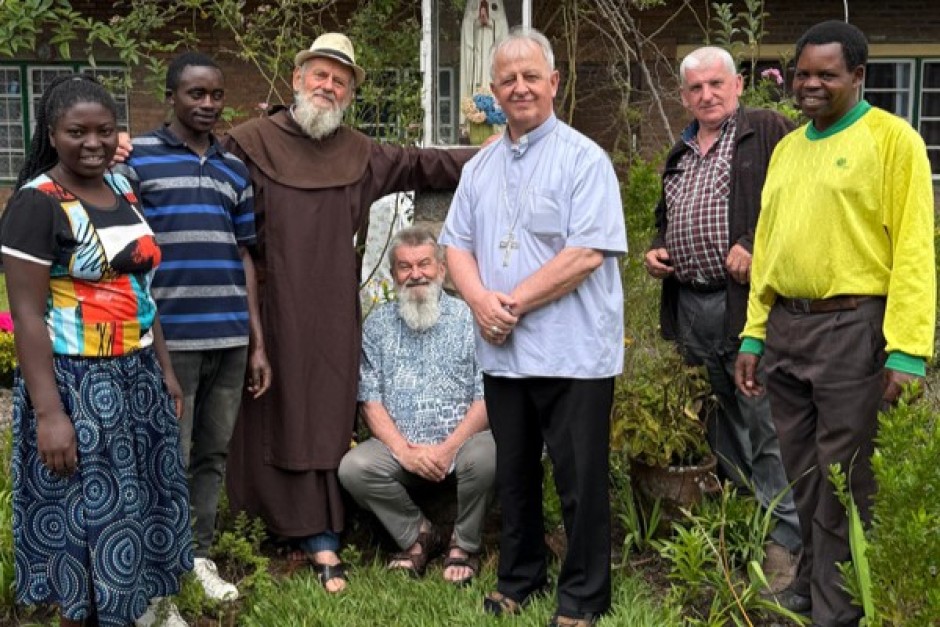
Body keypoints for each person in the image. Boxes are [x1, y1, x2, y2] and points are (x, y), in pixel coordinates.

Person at [218, 32, 474, 593]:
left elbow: (422, 164)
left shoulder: (359, 153)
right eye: (320, 74)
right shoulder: (248, 142)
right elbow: (201, 181)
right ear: (297, 78)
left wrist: (498, 153)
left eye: (341, 79)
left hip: (334, 310)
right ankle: (277, 527)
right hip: (270, 306)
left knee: (328, 414)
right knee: (273, 410)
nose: (328, 85)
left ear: (351, 92)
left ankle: (325, 529)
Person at [735, 20, 935, 626]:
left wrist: (906, 351)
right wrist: (754, 332)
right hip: (788, 331)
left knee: (845, 479)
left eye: (827, 74)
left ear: (858, 76)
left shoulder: (894, 141)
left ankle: (837, 608)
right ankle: (809, 586)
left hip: (853, 329)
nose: (811, 84)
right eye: (802, 73)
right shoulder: (790, 149)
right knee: (802, 474)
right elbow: (767, 246)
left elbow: (915, 251)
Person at [441, 27, 627, 627]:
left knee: (579, 483)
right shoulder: (481, 167)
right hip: (505, 356)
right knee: (515, 477)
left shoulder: (584, 159)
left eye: (530, 76)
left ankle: (584, 595)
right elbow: (456, 247)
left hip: (573, 355)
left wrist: (508, 304)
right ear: (493, 90)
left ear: (554, 82)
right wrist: (478, 302)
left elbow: (586, 254)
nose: (519, 87)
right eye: (507, 79)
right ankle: (521, 576)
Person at [0, 74, 193, 627]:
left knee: (143, 498)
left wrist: (165, 370)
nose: (93, 143)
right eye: (76, 131)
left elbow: (141, 291)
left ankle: (143, 607)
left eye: (105, 130)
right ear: (52, 134)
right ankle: (94, 613)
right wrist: (49, 413)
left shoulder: (124, 190)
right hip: (78, 383)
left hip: (135, 373)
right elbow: (29, 315)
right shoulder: (37, 204)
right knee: (92, 508)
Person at [644, 45, 802, 591]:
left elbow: (802, 203)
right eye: (695, 88)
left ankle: (784, 543)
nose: (707, 95)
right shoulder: (681, 151)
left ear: (737, 84)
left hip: (747, 307)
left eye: (716, 84)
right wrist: (658, 248)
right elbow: (666, 218)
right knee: (719, 422)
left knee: (765, 423)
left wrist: (758, 245)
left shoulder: (767, 130)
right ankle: (742, 529)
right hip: (692, 305)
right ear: (684, 95)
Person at [114, 51, 271, 603]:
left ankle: (198, 556)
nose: (208, 105)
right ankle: (160, 567)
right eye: (195, 94)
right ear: (171, 95)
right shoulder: (137, 161)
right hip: (168, 340)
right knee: (168, 455)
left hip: (228, 338)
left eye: (216, 95)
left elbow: (245, 256)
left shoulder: (234, 169)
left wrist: (256, 343)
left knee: (212, 454)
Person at [338, 226, 495, 586]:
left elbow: (485, 395)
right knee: (354, 468)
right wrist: (403, 452)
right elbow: (370, 399)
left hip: (463, 444)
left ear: (441, 269)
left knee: (490, 455)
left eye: (424, 264)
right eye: (405, 267)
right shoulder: (377, 325)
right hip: (401, 449)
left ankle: (464, 544)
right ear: (393, 275)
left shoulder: (468, 318)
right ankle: (418, 535)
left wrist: (448, 448)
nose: (415, 274)